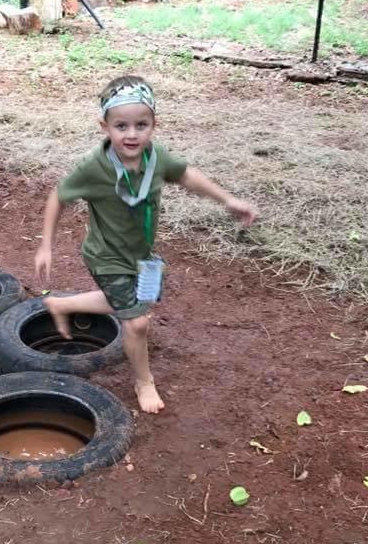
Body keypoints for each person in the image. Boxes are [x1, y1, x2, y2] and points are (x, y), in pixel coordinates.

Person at [34, 76, 260, 414]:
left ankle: (62, 306)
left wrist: (227, 200)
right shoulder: (94, 168)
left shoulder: (156, 158)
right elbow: (58, 196)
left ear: (154, 124)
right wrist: (46, 246)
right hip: (106, 256)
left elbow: (186, 175)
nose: (131, 134)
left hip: (141, 256)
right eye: (121, 125)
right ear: (104, 126)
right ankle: (144, 381)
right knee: (138, 322)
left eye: (141, 124)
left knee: (143, 299)